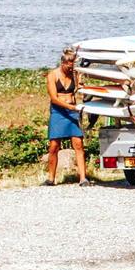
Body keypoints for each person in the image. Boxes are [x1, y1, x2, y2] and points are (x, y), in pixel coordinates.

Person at [44, 46, 90, 185]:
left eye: (72, 66)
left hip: (72, 112)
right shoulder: (53, 75)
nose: (71, 69)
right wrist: (70, 107)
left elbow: (79, 89)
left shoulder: (74, 74)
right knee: (54, 145)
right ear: (63, 63)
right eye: (69, 66)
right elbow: (54, 98)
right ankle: (51, 178)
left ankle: (83, 178)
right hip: (58, 112)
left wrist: (80, 83)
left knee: (78, 144)